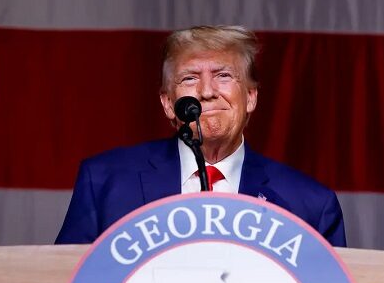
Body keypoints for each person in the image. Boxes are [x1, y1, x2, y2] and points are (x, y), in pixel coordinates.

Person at [55, 25, 346, 246]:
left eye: (223, 75)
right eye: (190, 78)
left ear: (251, 96)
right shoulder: (105, 182)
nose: (206, 92)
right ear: (168, 103)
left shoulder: (310, 206)